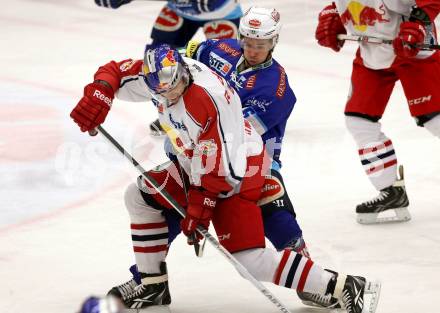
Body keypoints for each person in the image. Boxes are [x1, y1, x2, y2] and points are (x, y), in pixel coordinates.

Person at [70, 44, 380, 312]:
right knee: (138, 197)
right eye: (159, 89)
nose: (168, 93)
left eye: (173, 85)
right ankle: (153, 285)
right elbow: (115, 71)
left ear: (181, 71)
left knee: (250, 260)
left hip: (240, 170)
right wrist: (100, 93)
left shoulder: (207, 101)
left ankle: (345, 287)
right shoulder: (162, 74)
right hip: (199, 162)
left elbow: (224, 170)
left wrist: (199, 209)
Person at [315, 0, 440, 224]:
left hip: (412, 53)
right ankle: (391, 190)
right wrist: (333, 14)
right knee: (358, 121)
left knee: (435, 120)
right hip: (372, 55)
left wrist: (419, 24)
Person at [94, 0, 243, 136]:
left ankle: (221, 114)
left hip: (222, 12)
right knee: (156, 62)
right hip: (179, 10)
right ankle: (169, 114)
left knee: (224, 63)